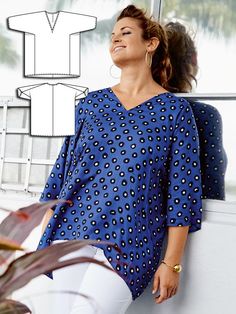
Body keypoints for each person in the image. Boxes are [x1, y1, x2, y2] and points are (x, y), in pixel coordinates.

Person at [36, 5, 202, 314]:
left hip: (131, 245)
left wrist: (172, 264)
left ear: (150, 43)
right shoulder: (90, 105)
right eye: (112, 36)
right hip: (70, 233)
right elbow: (60, 177)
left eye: (125, 33)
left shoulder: (175, 113)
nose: (116, 40)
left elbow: (182, 194)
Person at [165, 21, 227, 200]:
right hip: (192, 225)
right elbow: (213, 197)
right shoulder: (203, 115)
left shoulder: (137, 113)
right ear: (194, 59)